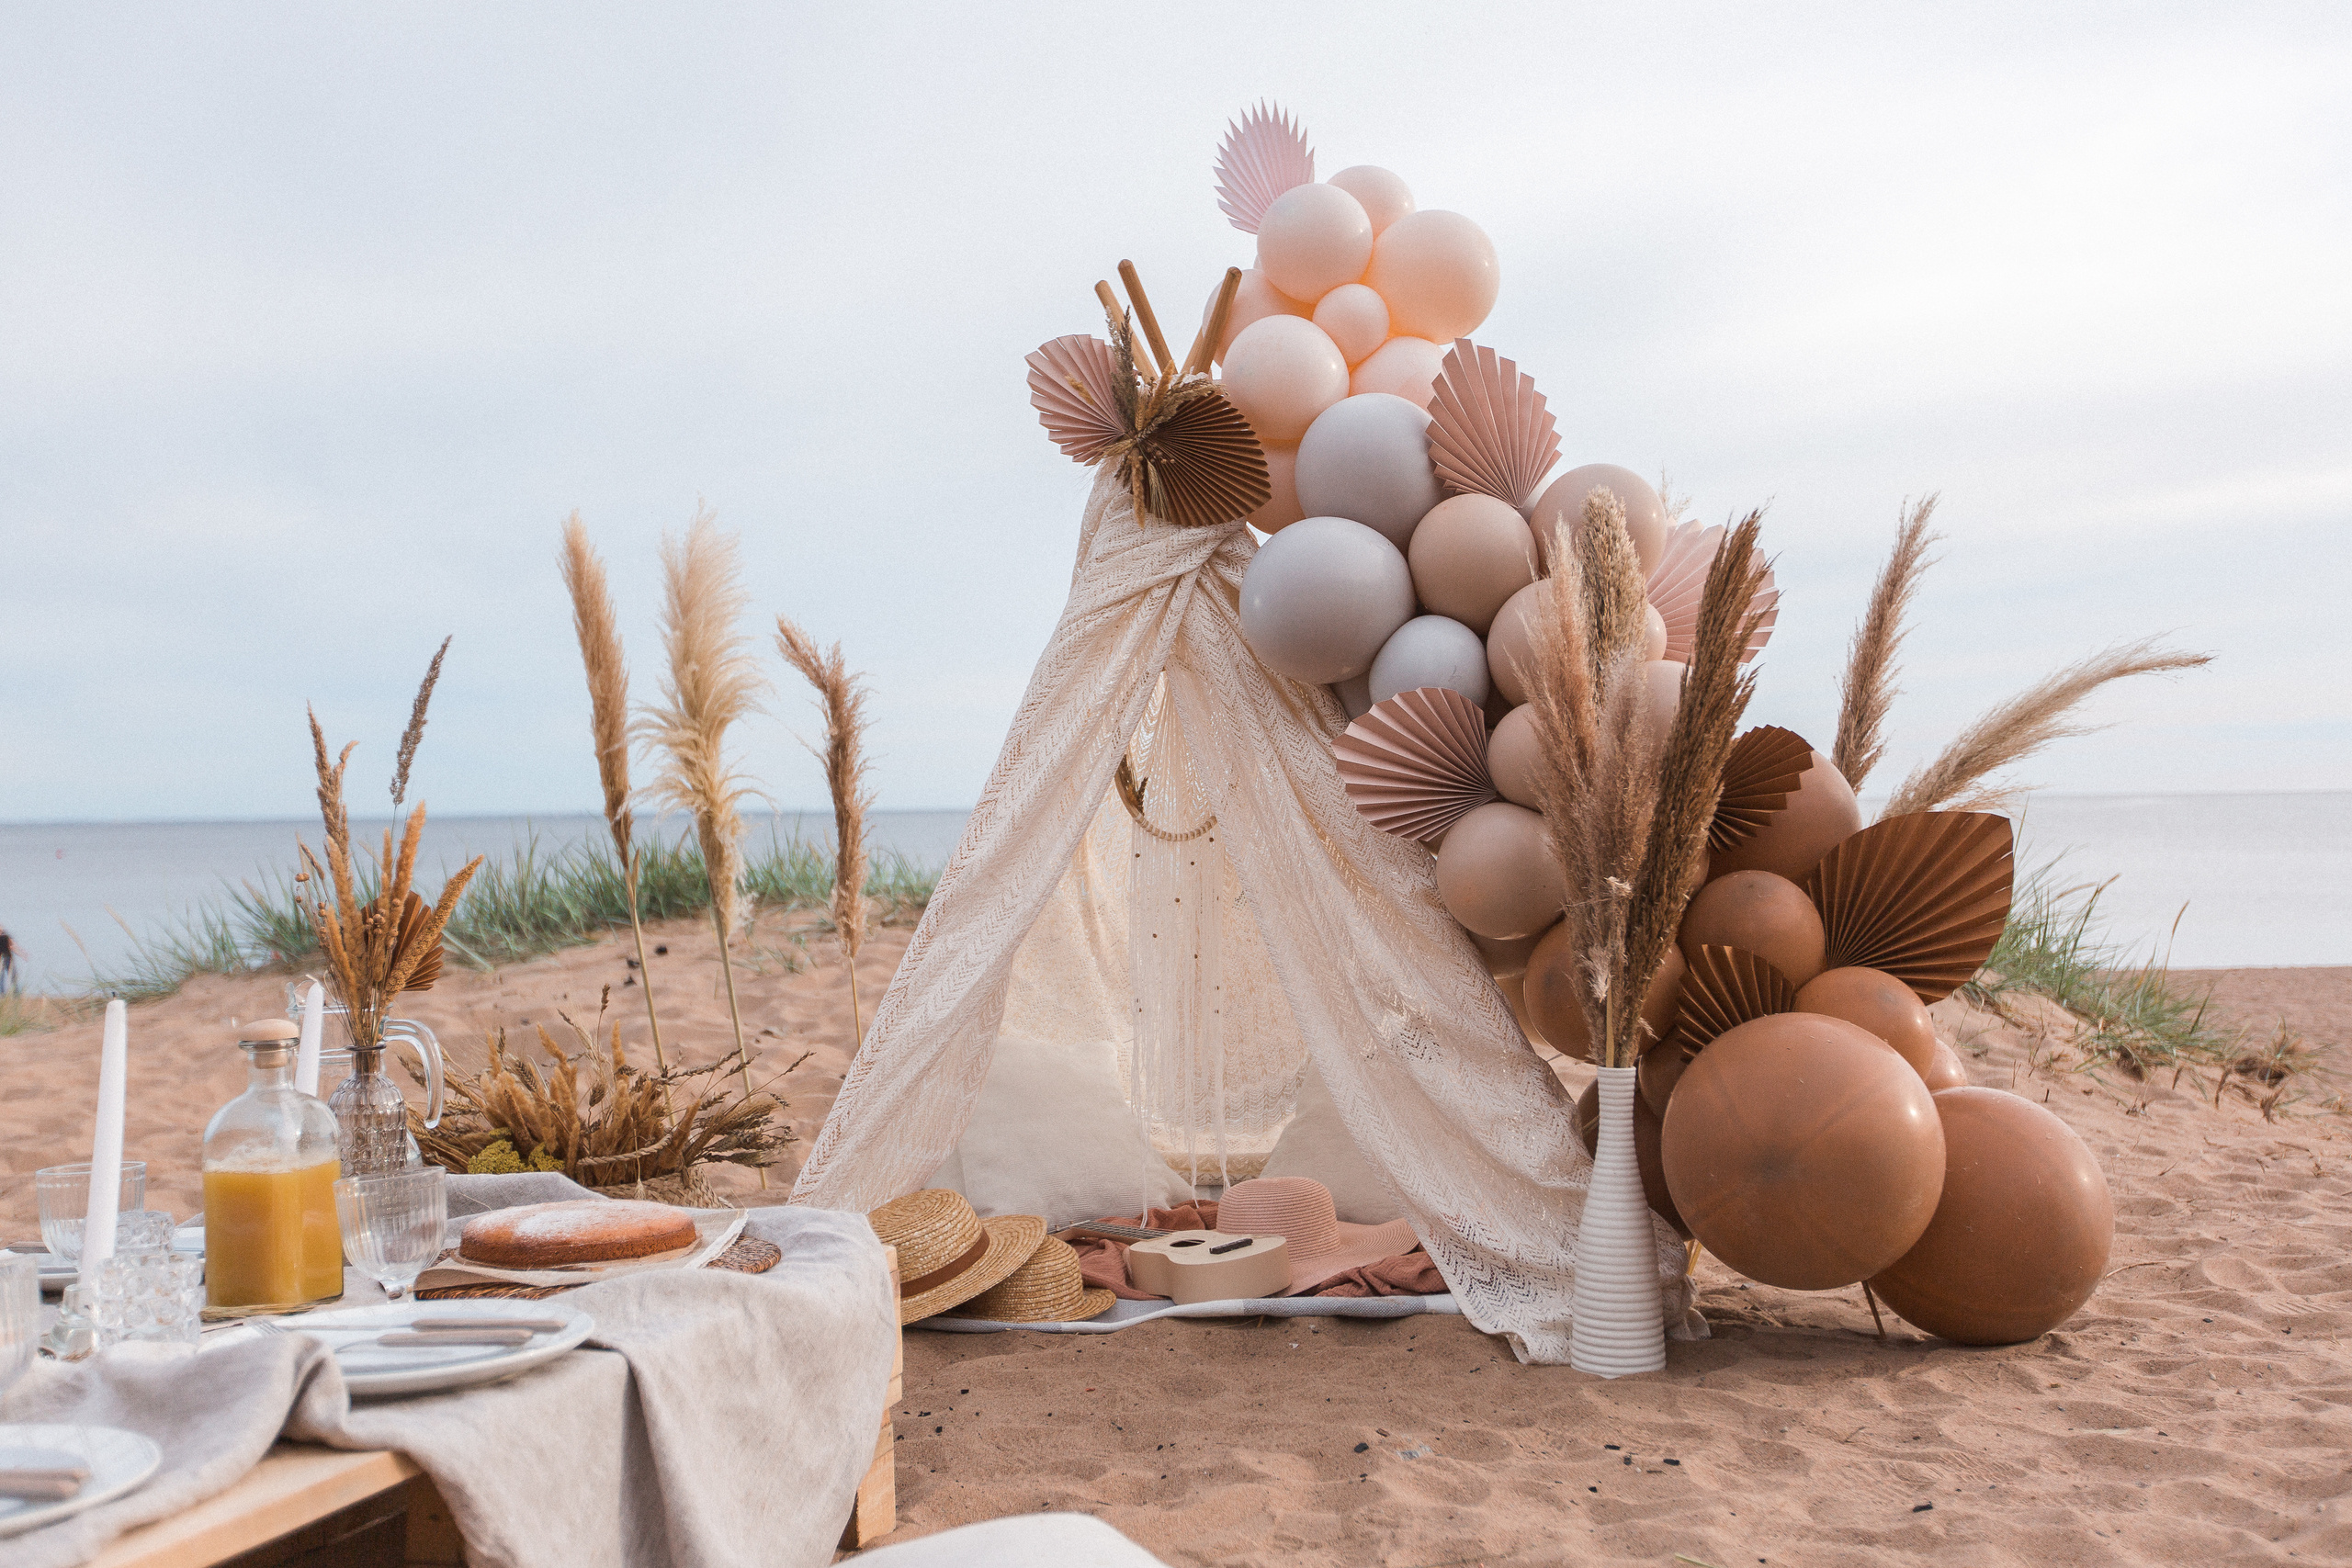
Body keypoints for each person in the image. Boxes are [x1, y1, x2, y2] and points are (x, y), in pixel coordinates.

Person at [0, 926, 15, 995]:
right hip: (5, 957)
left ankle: (13, 992)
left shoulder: (6, 936)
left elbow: (12, 946)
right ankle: (3, 993)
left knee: (11, 975)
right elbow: (12, 946)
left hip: (7, 957)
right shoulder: (6, 936)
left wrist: (22, 954)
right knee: (2, 976)